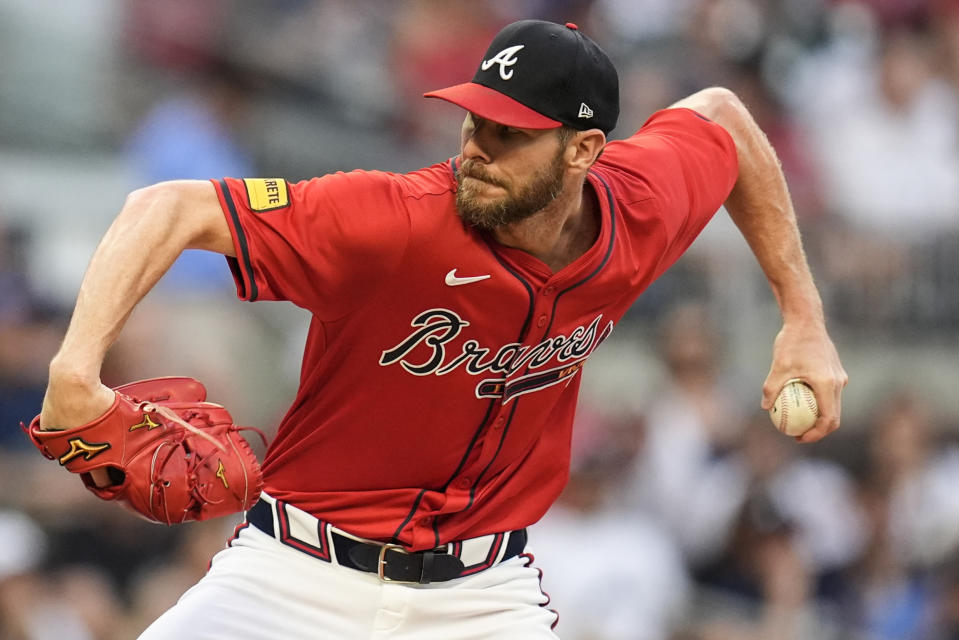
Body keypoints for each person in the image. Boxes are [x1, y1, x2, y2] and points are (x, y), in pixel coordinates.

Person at [36, 19, 847, 640]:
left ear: (584, 150)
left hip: (481, 598)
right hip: (292, 576)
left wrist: (802, 318)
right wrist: (77, 372)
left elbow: (722, 118)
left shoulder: (639, 206)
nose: (477, 149)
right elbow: (167, 206)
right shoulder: (392, 220)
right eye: (472, 123)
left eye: (510, 134)